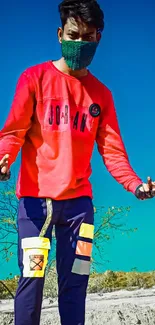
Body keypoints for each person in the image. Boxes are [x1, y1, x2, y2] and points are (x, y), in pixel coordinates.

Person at [0, 0, 154, 324]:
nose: (79, 44)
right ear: (59, 34)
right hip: (35, 205)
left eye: (87, 37)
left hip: (79, 209)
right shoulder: (34, 79)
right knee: (31, 284)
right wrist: (4, 159)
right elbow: (13, 132)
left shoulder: (101, 96)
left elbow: (112, 151)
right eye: (73, 35)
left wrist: (135, 184)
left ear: (98, 38)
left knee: (76, 287)